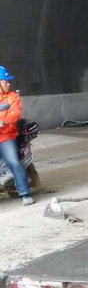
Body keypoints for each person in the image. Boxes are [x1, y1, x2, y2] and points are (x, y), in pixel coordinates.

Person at [0, 66, 34, 206]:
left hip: (6, 136)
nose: (9, 84)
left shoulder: (12, 96)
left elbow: (15, 114)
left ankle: (25, 193)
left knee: (13, 162)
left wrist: (3, 121)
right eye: (6, 81)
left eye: (8, 81)